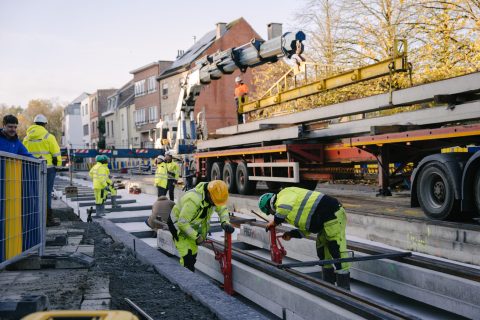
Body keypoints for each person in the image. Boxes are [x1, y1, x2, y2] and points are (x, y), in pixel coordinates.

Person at [259, 187, 350, 290]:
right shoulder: (289, 213)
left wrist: (274, 222)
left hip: (333, 214)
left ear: (270, 205)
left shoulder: (283, 195)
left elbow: (283, 208)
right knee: (322, 252)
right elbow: (306, 229)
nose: (273, 214)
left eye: (271, 212)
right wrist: (291, 234)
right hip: (323, 222)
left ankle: (344, 288)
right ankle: (329, 286)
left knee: (336, 249)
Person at [167, 180, 235, 271]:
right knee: (187, 255)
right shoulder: (193, 200)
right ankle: (186, 277)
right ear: (209, 194)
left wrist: (225, 222)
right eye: (214, 202)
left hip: (190, 225)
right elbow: (182, 223)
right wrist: (196, 237)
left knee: (193, 253)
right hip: (177, 225)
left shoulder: (214, 197)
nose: (215, 204)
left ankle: (190, 271)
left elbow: (222, 209)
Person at [23, 114, 62, 227]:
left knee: (33, 193)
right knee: (46, 193)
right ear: (45, 124)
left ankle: (34, 218)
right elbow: (56, 153)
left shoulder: (26, 138)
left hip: (31, 168)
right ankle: (47, 219)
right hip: (48, 168)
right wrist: (58, 166)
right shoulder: (48, 137)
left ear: (35, 124)